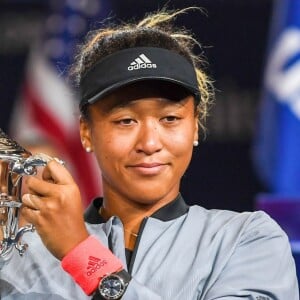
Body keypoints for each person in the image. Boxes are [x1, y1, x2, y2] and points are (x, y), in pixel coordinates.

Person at [0, 7, 299, 300]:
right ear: (86, 132)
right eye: (125, 121)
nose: (149, 142)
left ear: (195, 127)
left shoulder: (248, 240)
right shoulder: (21, 260)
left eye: (170, 119)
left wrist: (81, 253)